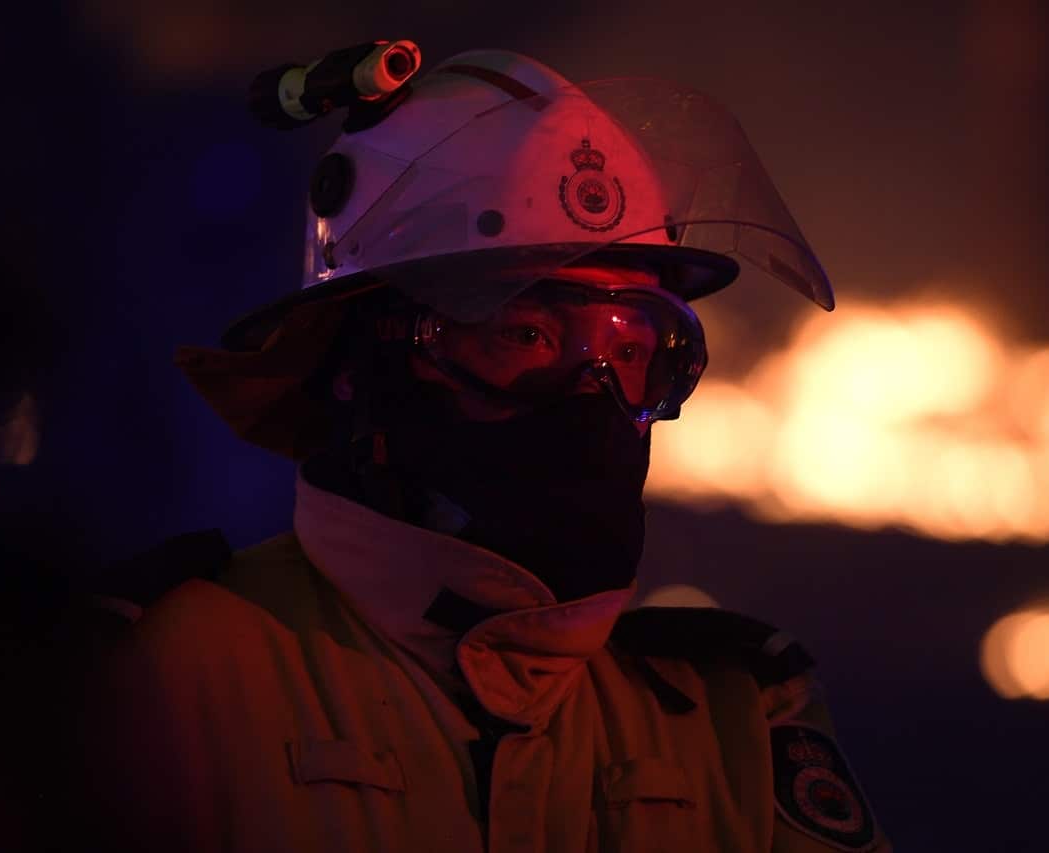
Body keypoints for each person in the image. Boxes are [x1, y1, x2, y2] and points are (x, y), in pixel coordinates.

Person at [84, 46, 891, 853]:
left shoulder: (734, 720)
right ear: (362, 361)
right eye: (528, 333)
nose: (592, 398)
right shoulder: (164, 679)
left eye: (637, 351)